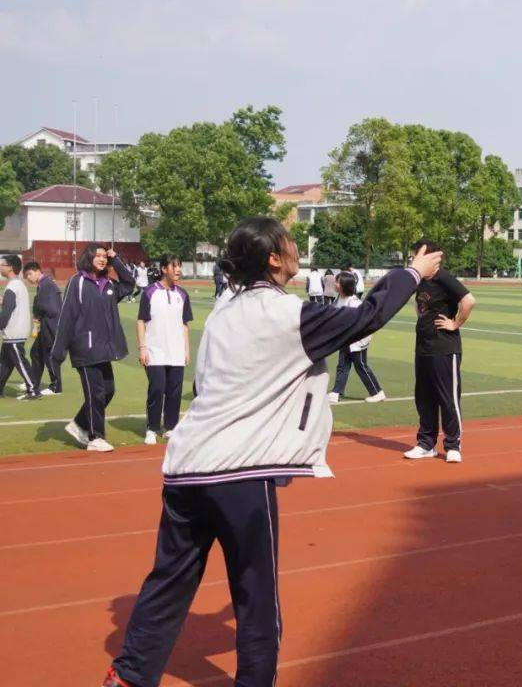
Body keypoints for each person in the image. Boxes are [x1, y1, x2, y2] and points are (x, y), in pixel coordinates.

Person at [99, 217, 442, 687]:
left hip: (185, 467)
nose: (297, 247)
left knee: (167, 584)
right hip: (239, 474)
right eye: (289, 242)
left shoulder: (223, 309)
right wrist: (412, 272)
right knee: (257, 600)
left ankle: (129, 676)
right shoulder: (289, 315)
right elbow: (367, 316)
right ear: (274, 258)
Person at [51, 244, 137, 452]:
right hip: (84, 347)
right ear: (88, 258)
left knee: (108, 390)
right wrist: (58, 352)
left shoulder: (109, 284)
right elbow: (66, 316)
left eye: (103, 256)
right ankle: (95, 437)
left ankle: (79, 424)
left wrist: (116, 259)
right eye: (97, 256)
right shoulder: (77, 282)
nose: (101, 259)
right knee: (95, 393)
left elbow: (129, 283)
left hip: (104, 348)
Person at [403, 239, 477, 463]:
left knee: (448, 398)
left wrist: (455, 324)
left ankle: (453, 444)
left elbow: (469, 300)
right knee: (424, 398)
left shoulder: (443, 278)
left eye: (416, 255)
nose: (412, 259)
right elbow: (420, 307)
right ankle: (426, 444)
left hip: (444, 347)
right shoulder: (420, 281)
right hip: (423, 347)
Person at [136, 255, 193, 445]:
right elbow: (141, 321)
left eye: (179, 266)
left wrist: (186, 349)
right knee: (157, 388)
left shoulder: (183, 295)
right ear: (163, 269)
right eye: (174, 266)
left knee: (174, 391)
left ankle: (170, 427)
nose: (178, 270)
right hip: (155, 351)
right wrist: (142, 347)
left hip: (176, 351)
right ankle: (152, 428)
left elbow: (184, 324)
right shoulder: (150, 292)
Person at [329, 271, 387, 404]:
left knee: (361, 366)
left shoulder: (354, 303)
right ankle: (336, 392)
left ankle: (377, 392)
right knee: (342, 366)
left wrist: (357, 340)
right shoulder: (338, 299)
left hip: (356, 341)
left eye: (337, 281)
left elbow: (364, 323)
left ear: (344, 285)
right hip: (345, 340)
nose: (335, 283)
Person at [0, 255, 41, 400]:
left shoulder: (12, 287)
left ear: (10, 267)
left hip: (14, 333)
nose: (0, 267)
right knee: (5, 363)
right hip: (14, 332)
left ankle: (33, 390)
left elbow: (6, 312)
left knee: (20, 362)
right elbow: (11, 305)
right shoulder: (18, 284)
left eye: (2, 264)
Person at [23, 262, 62, 396]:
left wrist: (38, 310)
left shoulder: (47, 285)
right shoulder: (43, 285)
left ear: (37, 271)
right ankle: (33, 382)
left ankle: (56, 387)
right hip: (46, 324)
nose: (28, 277)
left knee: (49, 355)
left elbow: (52, 309)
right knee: (35, 352)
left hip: (51, 325)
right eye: (26, 275)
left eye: (29, 274)